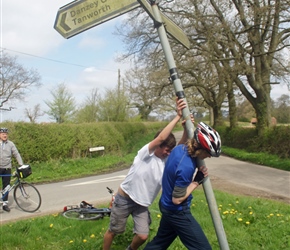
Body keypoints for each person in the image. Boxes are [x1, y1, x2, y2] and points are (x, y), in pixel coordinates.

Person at [103, 98, 193, 250]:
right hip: (125, 199)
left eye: (169, 151)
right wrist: (177, 116)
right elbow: (161, 138)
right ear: (158, 146)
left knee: (143, 235)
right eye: (165, 149)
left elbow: (179, 148)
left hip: (142, 204)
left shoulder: (166, 161)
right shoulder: (146, 153)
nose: (168, 152)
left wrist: (185, 129)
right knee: (114, 231)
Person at [144, 122, 221, 250]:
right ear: (199, 148)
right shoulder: (186, 167)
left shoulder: (180, 149)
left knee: (159, 244)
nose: (208, 157)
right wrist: (197, 180)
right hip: (177, 211)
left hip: (166, 205)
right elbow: (177, 199)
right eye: (208, 153)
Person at [0, 127, 23, 212]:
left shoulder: (10, 144)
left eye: (6, 134)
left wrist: (21, 165)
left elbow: (16, 154)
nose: (5, 135)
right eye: (3, 134)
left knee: (6, 186)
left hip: (7, 167)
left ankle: (5, 204)